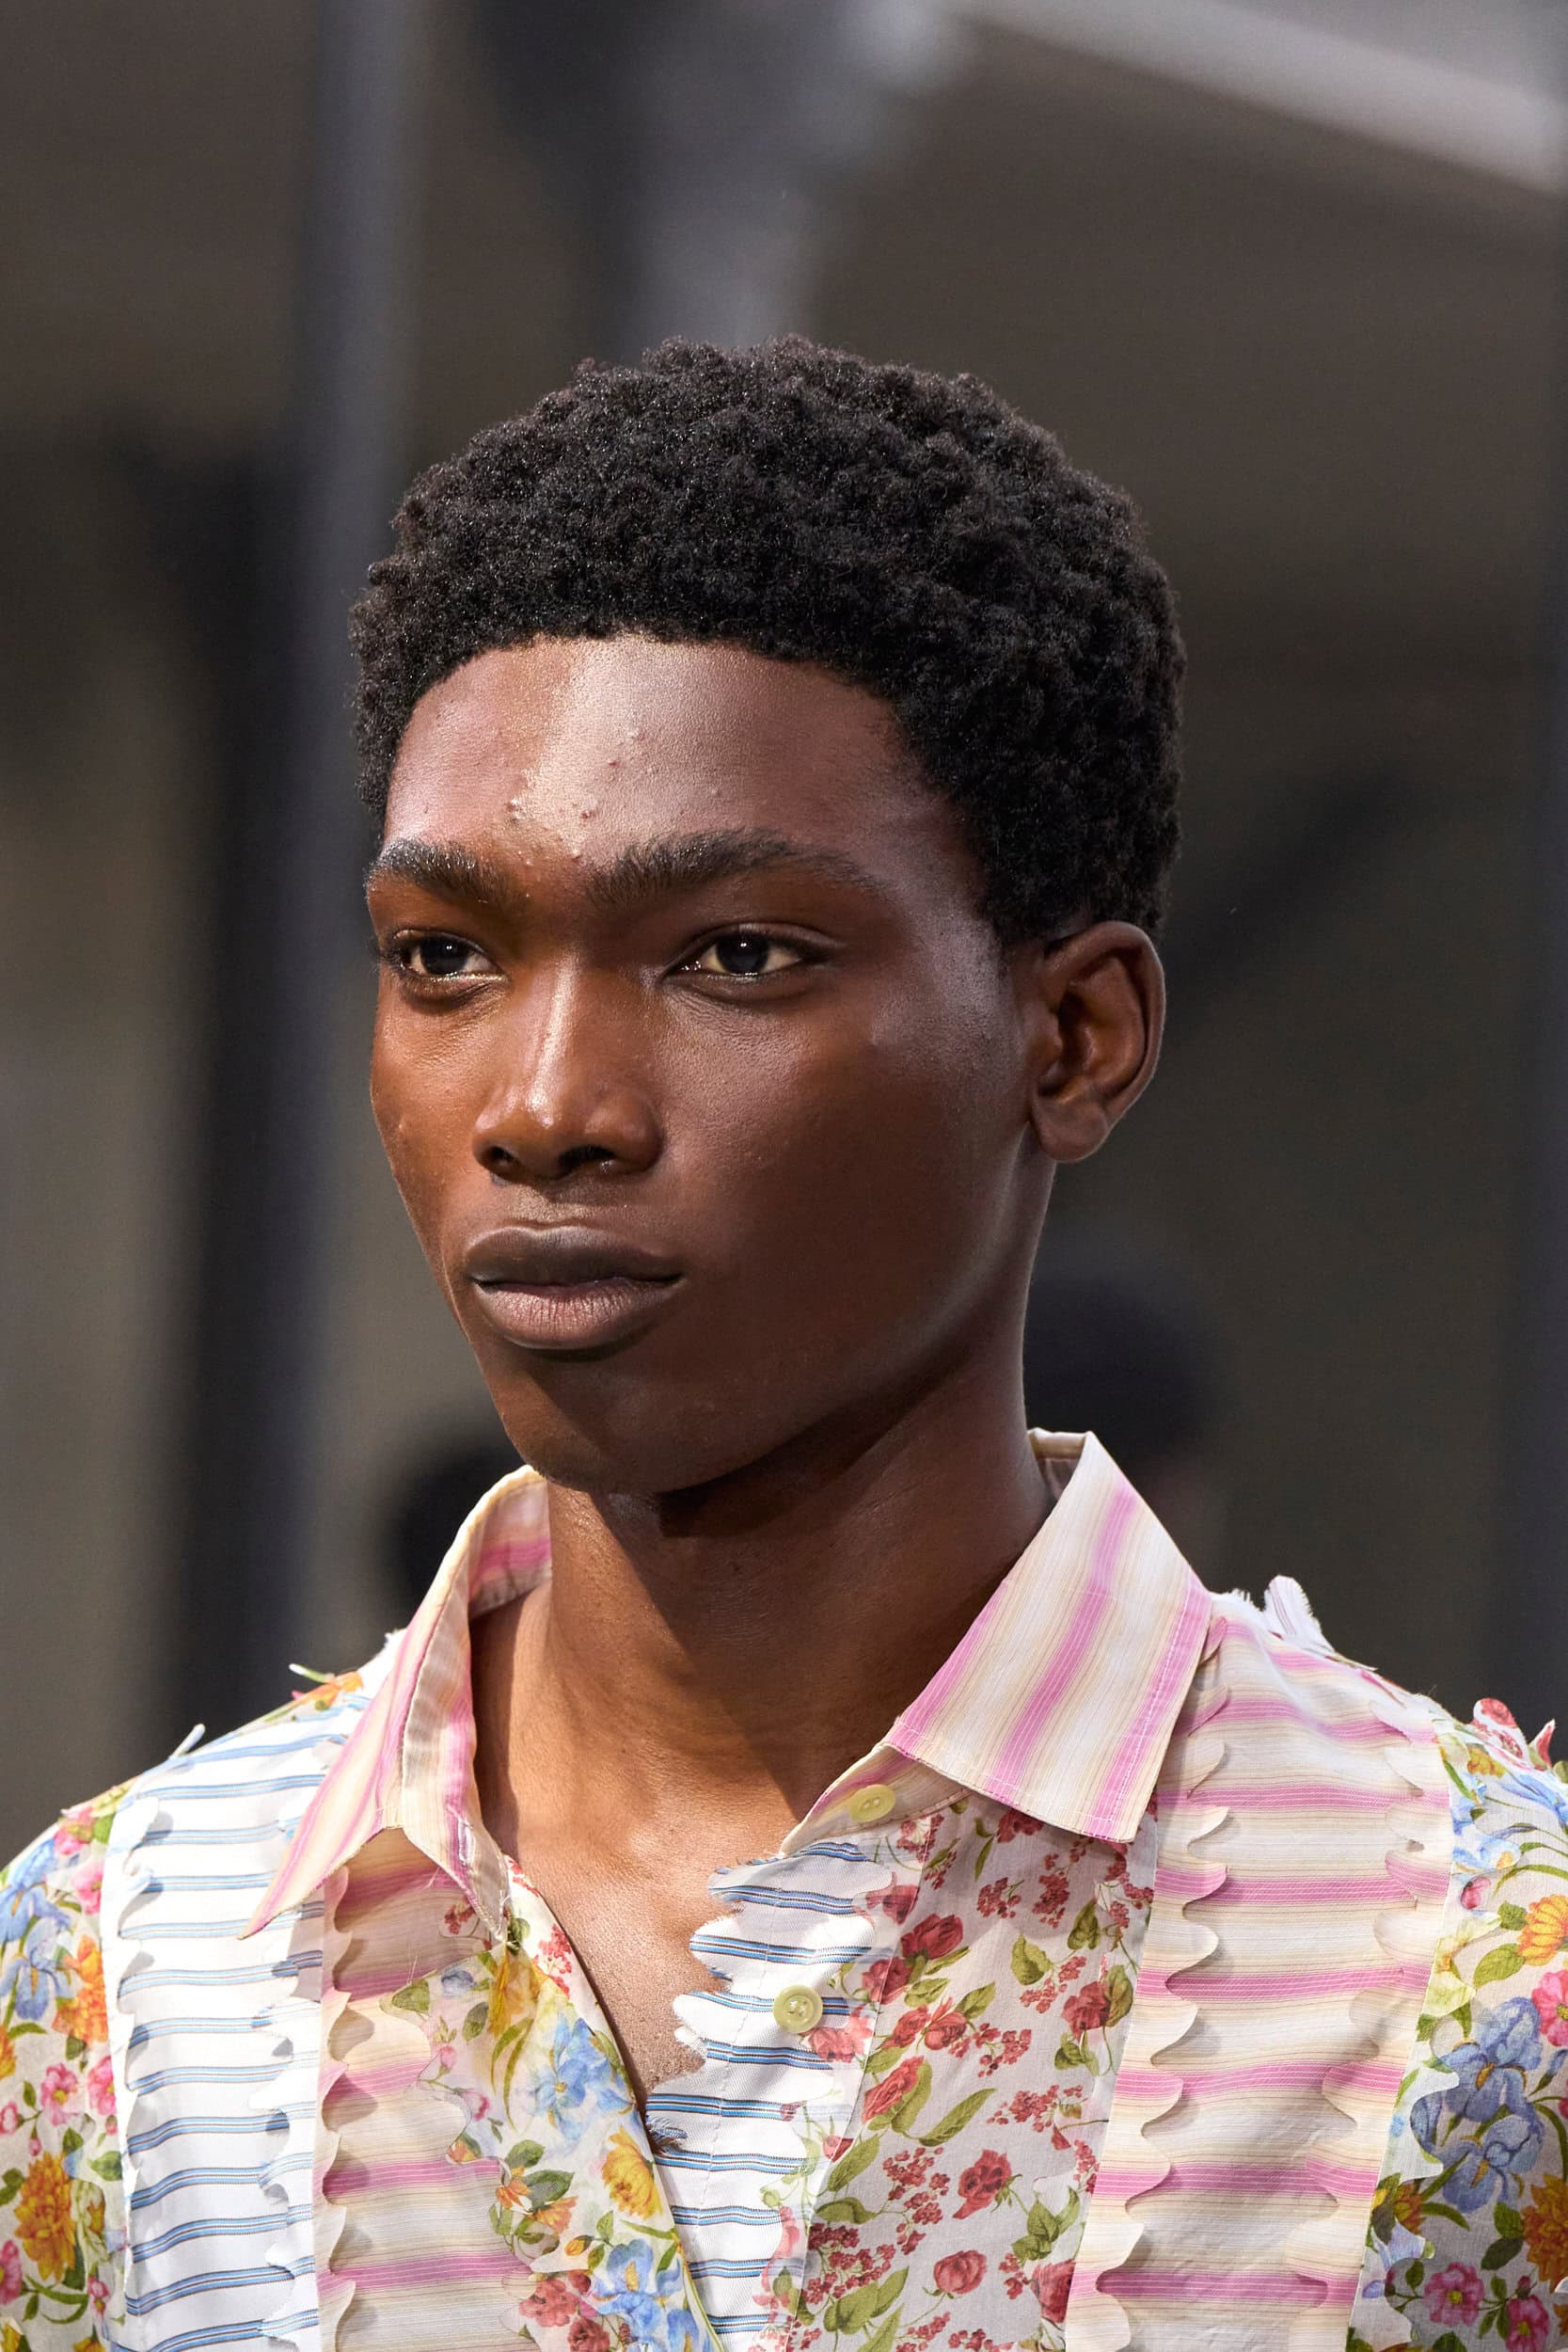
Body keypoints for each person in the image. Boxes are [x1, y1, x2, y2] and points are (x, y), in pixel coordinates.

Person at [1, 340, 1560, 2352]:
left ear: (1075, 1038)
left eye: (736, 954)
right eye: (444, 957)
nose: (544, 1103)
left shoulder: (1477, 1985)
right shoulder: (120, 1982)